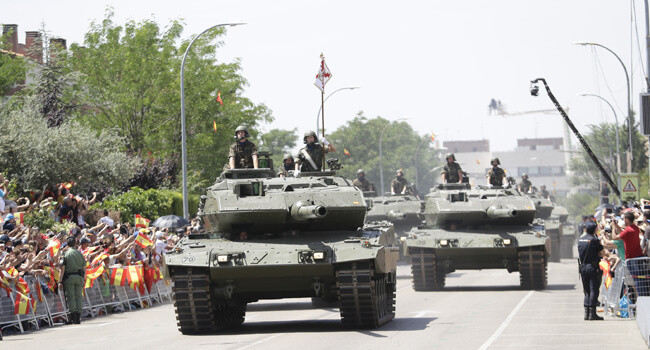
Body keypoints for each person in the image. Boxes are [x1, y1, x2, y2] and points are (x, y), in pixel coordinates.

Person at [577, 222, 607, 320]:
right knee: (594, 290)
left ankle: (586, 313)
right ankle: (592, 313)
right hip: (592, 267)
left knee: (587, 290)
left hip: (583, 267)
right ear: (594, 230)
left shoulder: (580, 239)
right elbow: (602, 252)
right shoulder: (594, 240)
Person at [58, 236, 85, 324]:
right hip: (79, 277)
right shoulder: (80, 254)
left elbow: (62, 268)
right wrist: (83, 279)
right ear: (75, 243)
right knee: (78, 297)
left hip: (69, 277)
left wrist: (60, 281)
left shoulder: (65, 254)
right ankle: (78, 317)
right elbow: (84, 267)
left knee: (71, 297)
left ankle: (73, 317)